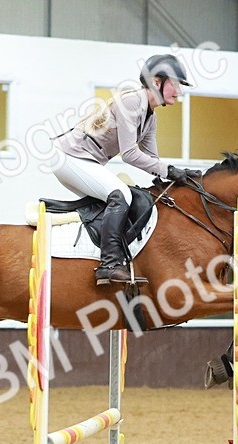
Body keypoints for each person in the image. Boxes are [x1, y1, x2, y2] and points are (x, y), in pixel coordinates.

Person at [51, 54, 202, 285]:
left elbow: (152, 160)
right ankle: (109, 265)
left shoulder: (150, 119)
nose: (179, 92)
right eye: (176, 84)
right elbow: (130, 154)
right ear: (157, 82)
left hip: (85, 161)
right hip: (69, 157)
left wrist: (176, 176)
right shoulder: (131, 103)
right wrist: (170, 170)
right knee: (121, 195)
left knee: (115, 202)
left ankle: (90, 261)